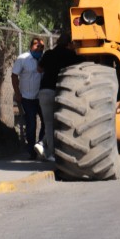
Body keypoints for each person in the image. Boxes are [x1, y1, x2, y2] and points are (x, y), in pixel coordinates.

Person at [34, 32, 80, 162]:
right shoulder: (71, 55)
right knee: (59, 123)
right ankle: (51, 153)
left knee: (48, 123)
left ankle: (42, 144)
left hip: (44, 91)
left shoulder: (48, 53)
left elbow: (39, 69)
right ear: (69, 44)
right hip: (61, 92)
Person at [11, 37, 45, 159]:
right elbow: (14, 76)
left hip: (41, 98)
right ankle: (31, 150)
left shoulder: (43, 59)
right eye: (37, 46)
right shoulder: (23, 59)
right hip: (27, 97)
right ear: (31, 46)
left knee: (46, 122)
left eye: (41, 47)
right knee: (31, 124)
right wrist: (18, 93)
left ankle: (41, 146)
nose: (39, 48)